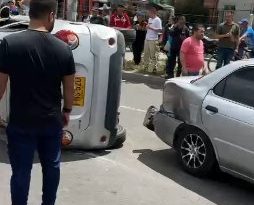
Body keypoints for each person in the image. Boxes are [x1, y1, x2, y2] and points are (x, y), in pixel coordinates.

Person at [0, 0, 75, 204]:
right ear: (51, 15)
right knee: (51, 167)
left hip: (21, 121)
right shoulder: (63, 49)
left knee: (21, 172)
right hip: (51, 121)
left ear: (30, 13)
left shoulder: (10, 44)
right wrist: (67, 110)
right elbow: (70, 88)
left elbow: (0, 86)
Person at [143, 7, 162, 73]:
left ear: (153, 12)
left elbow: (160, 30)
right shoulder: (150, 19)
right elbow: (148, 28)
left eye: (149, 13)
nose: (148, 14)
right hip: (147, 38)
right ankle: (146, 67)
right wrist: (147, 28)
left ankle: (153, 68)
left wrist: (150, 28)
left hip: (153, 39)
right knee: (146, 53)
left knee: (153, 55)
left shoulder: (158, 20)